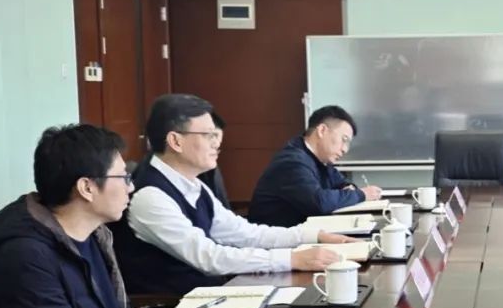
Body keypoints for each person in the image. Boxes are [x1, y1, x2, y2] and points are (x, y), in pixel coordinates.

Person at [113, 94, 353, 295]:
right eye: (208, 135)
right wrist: (292, 259)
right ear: (175, 141)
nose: (217, 144)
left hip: (209, 297)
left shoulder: (194, 185)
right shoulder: (150, 196)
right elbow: (209, 257)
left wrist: (312, 236)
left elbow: (246, 233)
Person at [0, 125, 148, 308]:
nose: (131, 188)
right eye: (123, 178)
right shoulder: (25, 258)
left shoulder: (96, 235)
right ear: (86, 188)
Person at [247, 106, 382, 227]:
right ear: (322, 130)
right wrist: (361, 194)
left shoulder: (320, 158)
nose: (345, 149)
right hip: (277, 241)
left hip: (302, 235)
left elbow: (341, 182)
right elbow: (319, 202)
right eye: (344, 140)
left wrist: (348, 188)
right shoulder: (292, 162)